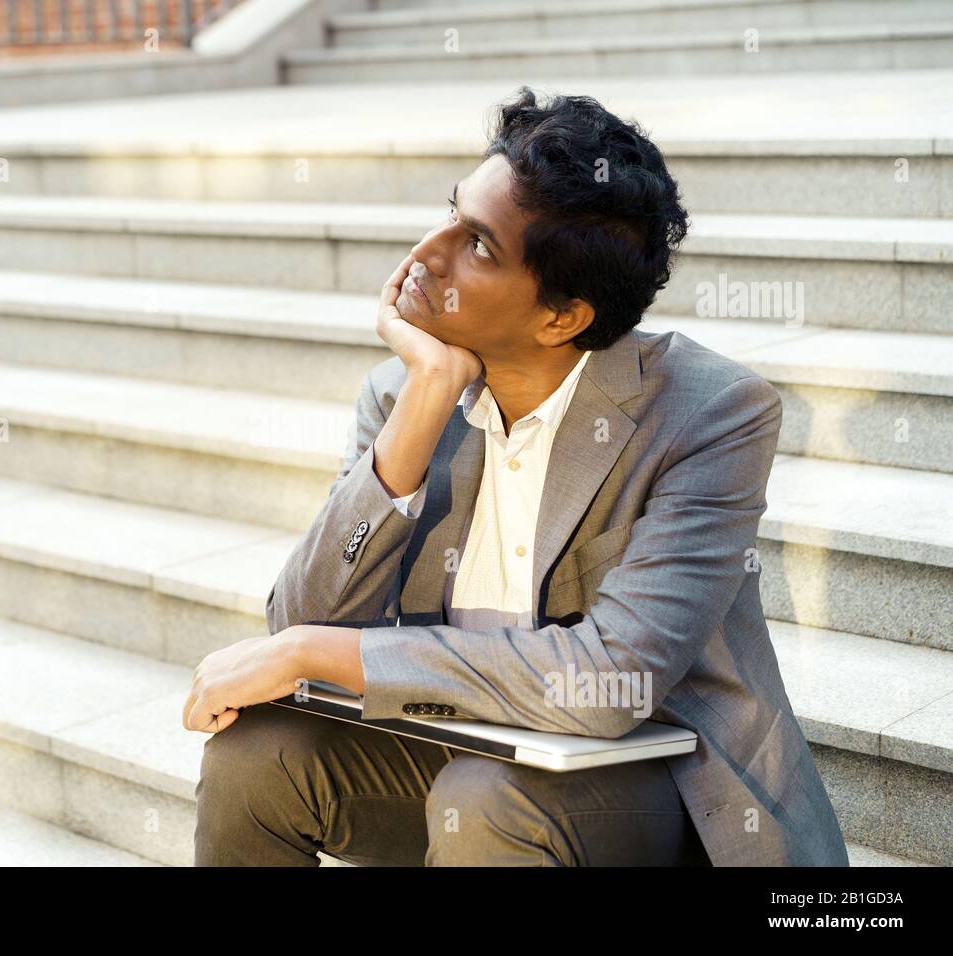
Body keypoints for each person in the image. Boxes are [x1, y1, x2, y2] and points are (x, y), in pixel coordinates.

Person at [183, 86, 848, 868]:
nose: (428, 253)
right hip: (467, 752)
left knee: (487, 798)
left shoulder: (712, 415)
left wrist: (309, 654)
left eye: (477, 245)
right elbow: (303, 614)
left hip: (655, 785)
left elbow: (612, 680)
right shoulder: (404, 394)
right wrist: (428, 395)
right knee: (255, 758)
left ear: (560, 317)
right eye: (449, 213)